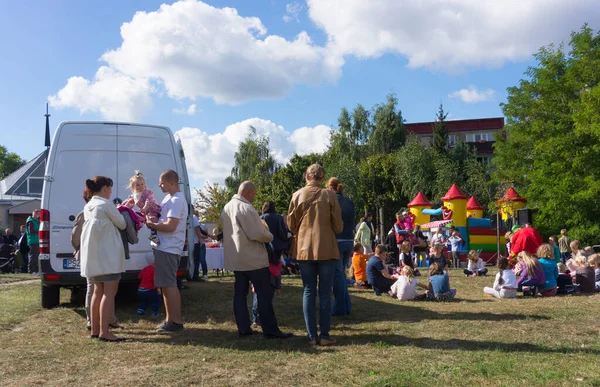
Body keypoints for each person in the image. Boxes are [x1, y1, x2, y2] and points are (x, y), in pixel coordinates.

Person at [223, 181, 292, 340]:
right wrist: (269, 236)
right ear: (250, 193)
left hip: (237, 259)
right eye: (253, 194)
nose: (254, 198)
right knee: (264, 293)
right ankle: (270, 329)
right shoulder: (246, 208)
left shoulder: (227, 207)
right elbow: (257, 233)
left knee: (240, 294)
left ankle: (244, 328)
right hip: (252, 258)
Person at [288, 164, 343, 345]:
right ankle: (325, 335)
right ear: (322, 178)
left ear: (306, 176)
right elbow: (338, 226)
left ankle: (311, 336)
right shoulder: (329, 196)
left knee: (308, 291)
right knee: (325, 292)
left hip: (304, 250)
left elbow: (290, 225)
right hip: (326, 249)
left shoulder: (297, 195)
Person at [80, 176, 127, 342]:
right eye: (110, 188)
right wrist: (121, 209)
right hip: (108, 256)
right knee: (109, 293)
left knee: (96, 292)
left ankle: (95, 329)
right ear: (106, 188)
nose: (111, 191)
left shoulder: (89, 205)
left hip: (93, 256)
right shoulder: (106, 204)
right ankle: (105, 332)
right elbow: (122, 224)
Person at [146, 169, 188, 333]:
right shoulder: (169, 199)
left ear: (172, 183)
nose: (159, 185)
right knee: (165, 285)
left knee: (169, 284)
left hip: (169, 248)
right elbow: (165, 220)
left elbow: (171, 226)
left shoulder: (176, 200)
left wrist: (153, 225)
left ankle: (175, 321)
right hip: (164, 247)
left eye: (162, 182)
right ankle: (170, 319)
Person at [72, 188, 119, 331]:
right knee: (100, 291)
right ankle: (101, 323)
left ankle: (95, 324)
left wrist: (79, 249)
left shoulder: (85, 211)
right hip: (98, 256)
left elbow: (74, 236)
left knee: (94, 290)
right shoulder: (98, 211)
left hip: (89, 256)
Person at [327, 177, 355, 317]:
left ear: (330, 187)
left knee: (337, 276)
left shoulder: (330, 201)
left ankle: (340, 308)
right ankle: (346, 306)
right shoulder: (349, 202)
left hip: (337, 241)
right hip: (349, 241)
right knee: (341, 274)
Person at [123, 171, 161, 244]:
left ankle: (154, 235)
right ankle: (134, 231)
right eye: (137, 185)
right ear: (133, 186)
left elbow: (149, 200)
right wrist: (122, 206)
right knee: (138, 218)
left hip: (154, 210)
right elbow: (127, 201)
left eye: (142, 184)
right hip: (145, 212)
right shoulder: (134, 195)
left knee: (152, 219)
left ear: (145, 184)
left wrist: (145, 207)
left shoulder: (147, 192)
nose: (140, 186)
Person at [260, 200, 289, 273]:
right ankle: (276, 278)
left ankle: (269, 279)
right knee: (276, 262)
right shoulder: (279, 218)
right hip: (278, 244)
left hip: (265, 244)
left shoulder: (261, 218)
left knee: (266, 263)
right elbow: (284, 231)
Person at [190, 210, 209, 281]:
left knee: (197, 259)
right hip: (196, 242)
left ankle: (199, 273)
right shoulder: (193, 217)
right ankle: (195, 275)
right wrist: (200, 238)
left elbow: (201, 230)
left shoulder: (188, 218)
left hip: (192, 242)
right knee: (196, 259)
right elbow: (197, 229)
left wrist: (208, 235)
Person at [26, 209, 40, 274]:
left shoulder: (36, 221)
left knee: (36, 255)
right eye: (36, 213)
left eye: (38, 214)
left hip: (36, 240)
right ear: (33, 214)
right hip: (32, 240)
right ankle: (31, 270)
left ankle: (36, 270)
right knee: (33, 255)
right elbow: (30, 231)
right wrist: (39, 232)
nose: (37, 215)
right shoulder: (30, 221)